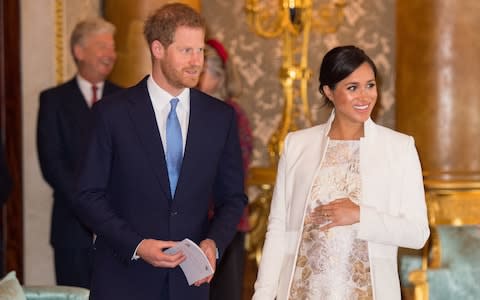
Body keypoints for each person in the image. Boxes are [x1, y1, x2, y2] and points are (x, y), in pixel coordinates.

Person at [72, 3, 247, 300]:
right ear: (158, 49)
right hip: (123, 280)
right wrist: (138, 245)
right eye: (186, 51)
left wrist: (213, 243)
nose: (197, 62)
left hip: (189, 286)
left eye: (200, 51)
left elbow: (233, 197)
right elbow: (88, 196)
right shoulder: (111, 114)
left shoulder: (220, 118)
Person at [252, 45, 430, 300]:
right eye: (352, 87)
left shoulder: (399, 148)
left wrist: (360, 215)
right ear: (328, 91)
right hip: (301, 291)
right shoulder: (297, 144)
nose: (365, 96)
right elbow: (278, 228)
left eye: (370, 85)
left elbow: (418, 233)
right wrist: (263, 295)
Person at [36, 17, 121, 288]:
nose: (111, 54)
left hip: (118, 228)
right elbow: (52, 164)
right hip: (71, 229)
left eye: (112, 47)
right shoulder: (53, 101)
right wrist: (91, 208)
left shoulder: (126, 100)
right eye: (102, 46)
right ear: (79, 51)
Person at [198, 39, 253, 300]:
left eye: (202, 71)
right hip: (193, 224)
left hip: (226, 225)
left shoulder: (232, 115)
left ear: (219, 77)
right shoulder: (189, 109)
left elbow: (235, 173)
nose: (195, 75)